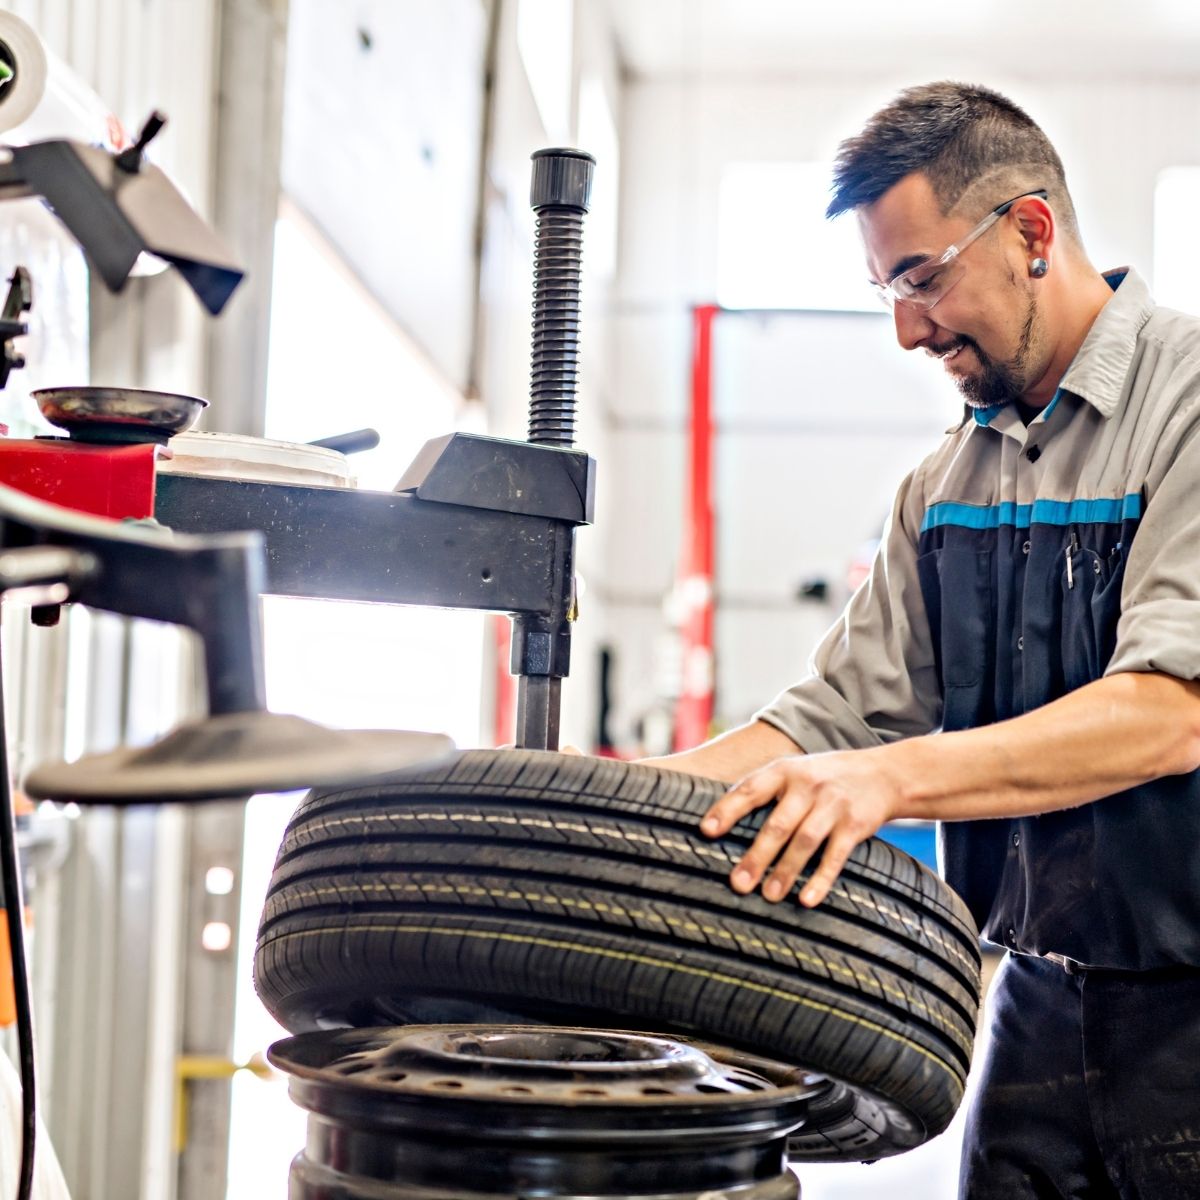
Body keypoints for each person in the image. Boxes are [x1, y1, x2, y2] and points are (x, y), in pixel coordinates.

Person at [643, 82, 1200, 1198]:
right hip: (1033, 1001)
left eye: (921, 277)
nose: (906, 328)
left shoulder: (1186, 404)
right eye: (884, 290)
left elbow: (1170, 710)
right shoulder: (945, 485)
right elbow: (828, 718)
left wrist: (881, 783)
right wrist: (604, 815)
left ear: (1030, 232)